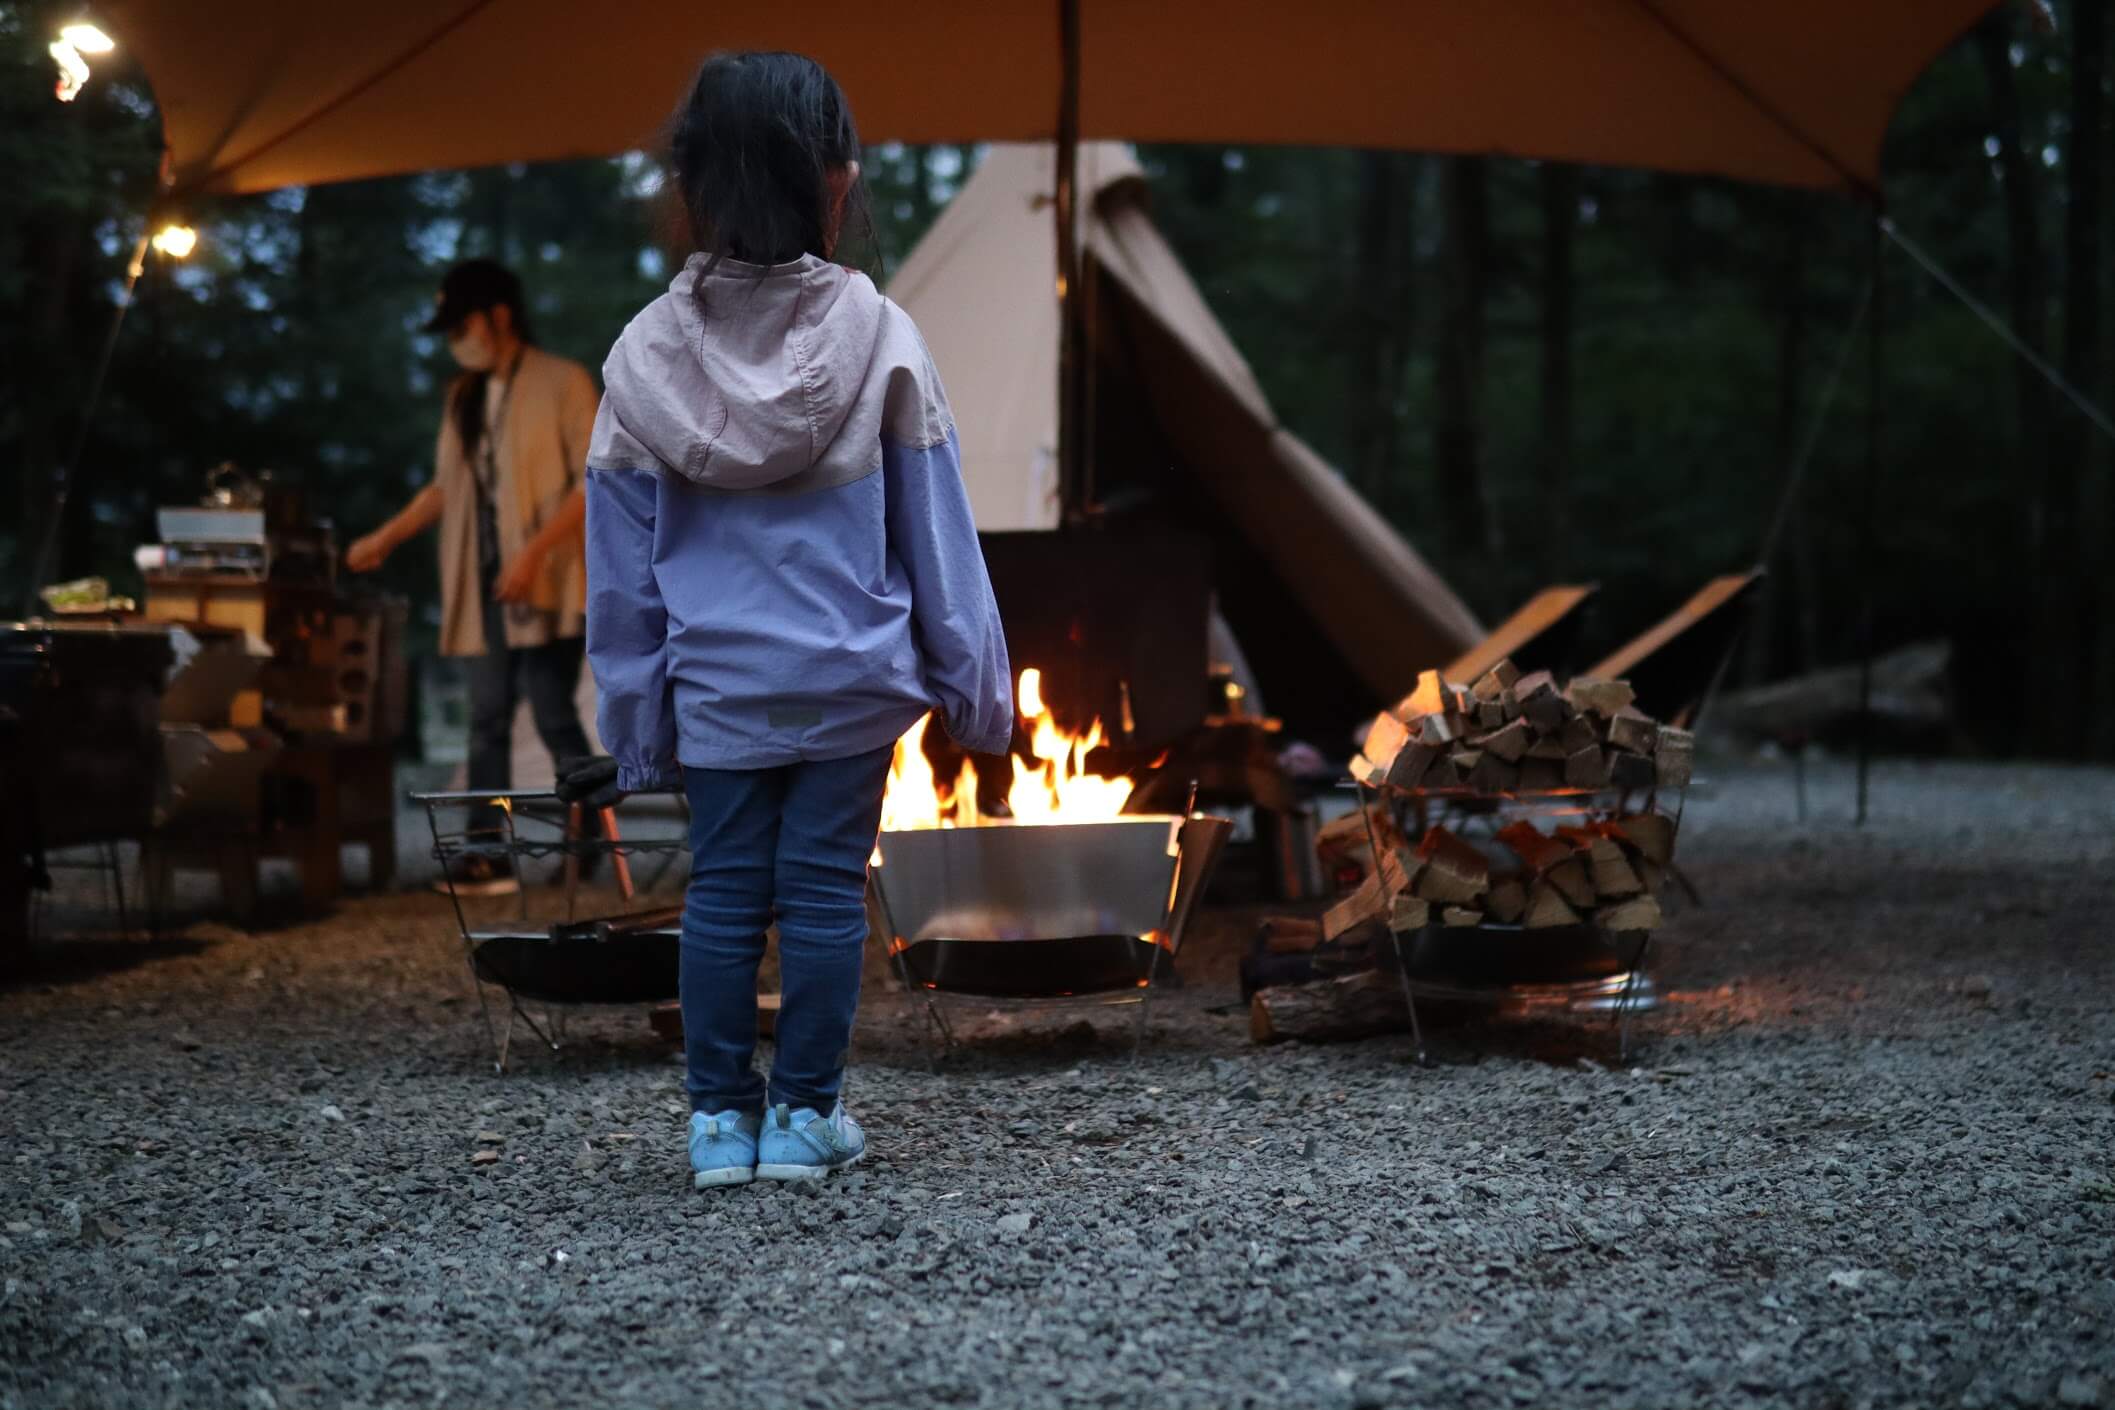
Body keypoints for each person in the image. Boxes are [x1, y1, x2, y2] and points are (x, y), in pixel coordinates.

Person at [573, 51, 1011, 1187]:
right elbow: (938, 532)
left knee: (722, 891)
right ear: (839, 181)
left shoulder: (637, 362)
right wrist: (975, 686)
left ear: (692, 186)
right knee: (820, 890)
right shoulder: (884, 339)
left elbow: (618, 577)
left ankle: (720, 1125)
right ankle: (804, 1118)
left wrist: (635, 717)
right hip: (849, 681)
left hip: (715, 684)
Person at [347, 259, 602, 896]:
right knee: (486, 716)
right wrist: (385, 536)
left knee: (551, 711)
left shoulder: (562, 381)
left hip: (551, 580)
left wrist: (534, 552)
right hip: (484, 582)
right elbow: (446, 488)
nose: (458, 338)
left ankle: (588, 837)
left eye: (463, 322)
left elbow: (594, 479)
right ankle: (487, 853)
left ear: (499, 315)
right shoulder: (463, 395)